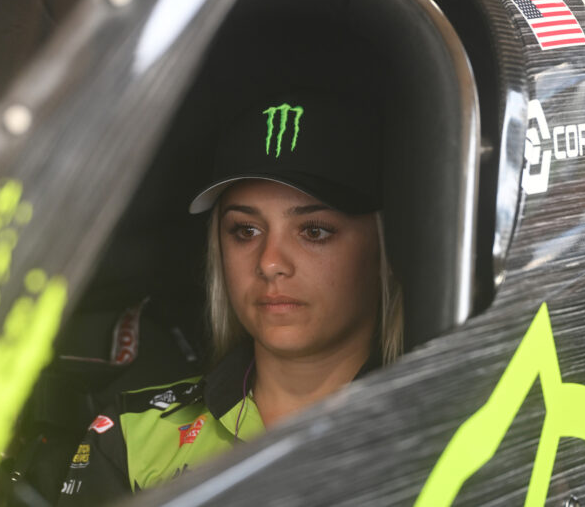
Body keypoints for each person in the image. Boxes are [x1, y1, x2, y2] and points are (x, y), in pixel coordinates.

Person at [56, 93, 403, 504]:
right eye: (245, 231)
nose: (270, 263)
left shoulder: (436, 425)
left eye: (314, 231)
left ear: (383, 248)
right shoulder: (134, 434)